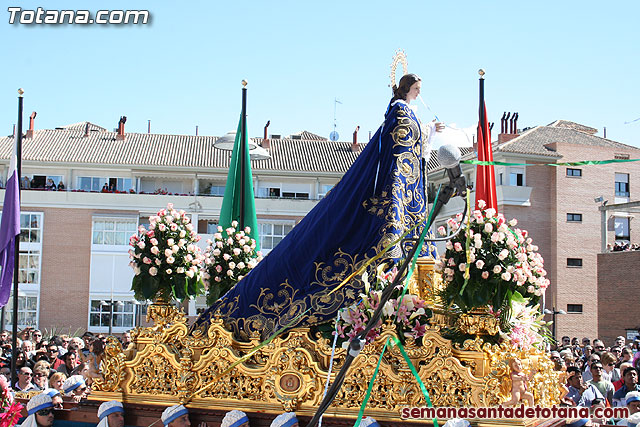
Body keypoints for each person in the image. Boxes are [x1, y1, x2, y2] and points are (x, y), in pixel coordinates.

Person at [194, 73, 442, 338]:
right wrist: (427, 131)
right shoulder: (400, 113)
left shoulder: (404, 112)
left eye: (419, 88)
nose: (418, 92)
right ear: (405, 89)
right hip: (393, 193)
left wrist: (427, 131)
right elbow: (400, 145)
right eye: (415, 88)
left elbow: (409, 148)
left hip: (403, 194)